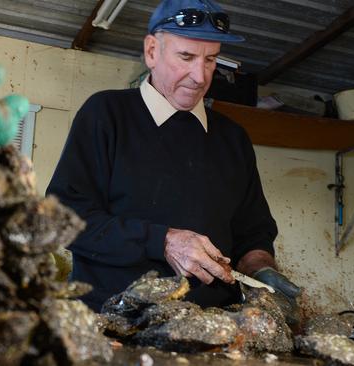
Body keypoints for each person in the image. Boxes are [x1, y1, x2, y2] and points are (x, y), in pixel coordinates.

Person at [47, 0, 300, 313]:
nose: (200, 76)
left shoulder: (233, 139)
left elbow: (253, 232)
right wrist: (163, 241)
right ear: (152, 51)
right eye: (186, 57)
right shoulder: (106, 114)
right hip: (114, 324)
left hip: (214, 331)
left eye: (211, 60)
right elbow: (64, 219)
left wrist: (261, 269)